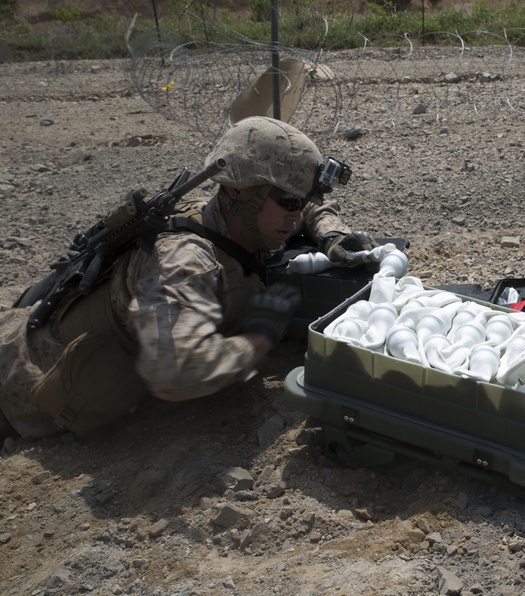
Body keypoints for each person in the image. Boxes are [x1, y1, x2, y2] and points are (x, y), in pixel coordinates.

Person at [0, 116, 374, 441]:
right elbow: (175, 372)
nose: (296, 215)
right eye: (288, 202)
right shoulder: (185, 261)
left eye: (298, 201)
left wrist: (331, 234)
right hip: (17, 391)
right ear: (238, 190)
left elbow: (305, 197)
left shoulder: (241, 213)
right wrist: (257, 341)